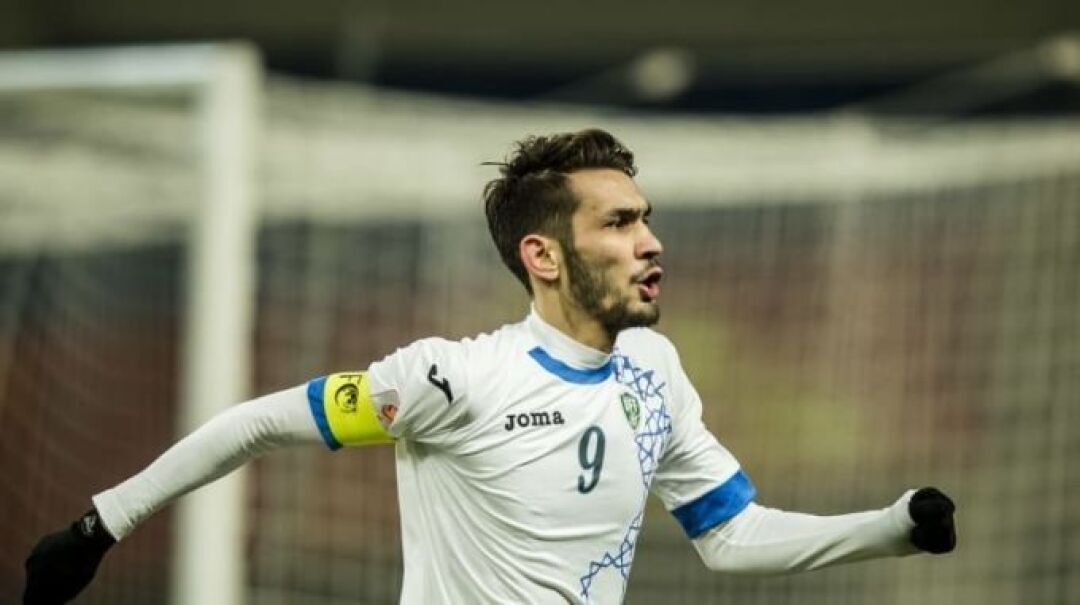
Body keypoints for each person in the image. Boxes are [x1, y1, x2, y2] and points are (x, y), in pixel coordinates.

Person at [23, 128, 956, 604]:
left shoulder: (655, 370)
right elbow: (261, 421)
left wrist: (892, 527)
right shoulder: (449, 381)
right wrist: (100, 525)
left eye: (646, 218)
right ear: (543, 255)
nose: (651, 241)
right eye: (620, 222)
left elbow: (729, 531)